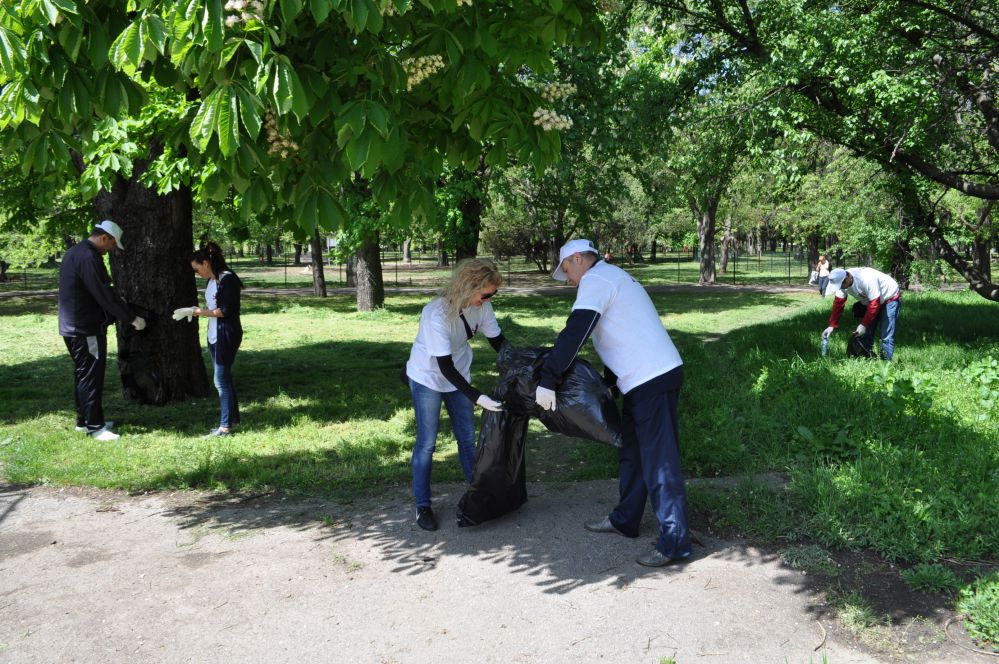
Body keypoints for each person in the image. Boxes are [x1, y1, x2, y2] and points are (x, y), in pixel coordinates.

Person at [535, 239, 690, 567]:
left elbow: (576, 331)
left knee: (660, 461)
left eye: (567, 271)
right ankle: (625, 519)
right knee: (632, 452)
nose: (570, 281)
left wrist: (548, 379)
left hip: (652, 378)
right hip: (642, 379)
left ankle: (675, 542)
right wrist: (609, 380)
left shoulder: (596, 280)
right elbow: (621, 332)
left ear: (578, 259)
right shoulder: (612, 276)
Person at [404, 258, 506, 531]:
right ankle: (423, 505)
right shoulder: (435, 313)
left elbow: (499, 343)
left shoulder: (481, 307)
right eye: (485, 294)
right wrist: (477, 397)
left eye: (492, 295)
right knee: (427, 443)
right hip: (428, 376)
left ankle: (478, 497)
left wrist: (524, 364)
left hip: (458, 374)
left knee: (467, 440)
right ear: (468, 286)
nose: (488, 299)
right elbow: (443, 366)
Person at [58, 220, 146, 441]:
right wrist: (131, 317)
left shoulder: (75, 252)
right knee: (91, 376)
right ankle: (95, 427)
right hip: (85, 328)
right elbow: (103, 293)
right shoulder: (89, 257)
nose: (112, 250)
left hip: (73, 326)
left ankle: (84, 421)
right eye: (113, 245)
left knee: (83, 374)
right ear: (104, 238)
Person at [176, 243, 244, 436]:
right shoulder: (212, 281)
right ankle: (232, 419)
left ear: (205, 263)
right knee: (225, 379)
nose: (197, 274)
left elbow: (225, 311)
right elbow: (212, 307)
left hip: (226, 334)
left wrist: (197, 311)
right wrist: (196, 310)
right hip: (214, 334)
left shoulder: (228, 280)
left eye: (197, 269)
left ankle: (224, 427)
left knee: (220, 381)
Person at [821, 267, 901, 360]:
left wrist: (864, 324)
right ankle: (866, 359)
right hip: (872, 300)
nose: (840, 288)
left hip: (889, 298)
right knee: (866, 333)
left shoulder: (866, 279)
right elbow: (838, 303)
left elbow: (875, 303)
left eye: (841, 285)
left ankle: (885, 366)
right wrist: (832, 325)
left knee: (886, 335)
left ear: (847, 278)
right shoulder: (841, 282)